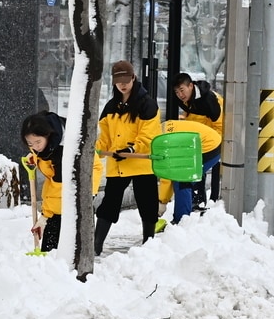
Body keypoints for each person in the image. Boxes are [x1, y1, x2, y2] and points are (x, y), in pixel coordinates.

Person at [94, 60, 162, 255]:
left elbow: (148, 135)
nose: (123, 84)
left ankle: (149, 245)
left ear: (133, 78)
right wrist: (95, 149)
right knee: (109, 205)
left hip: (141, 163)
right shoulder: (110, 106)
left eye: (126, 80)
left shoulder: (147, 104)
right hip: (118, 164)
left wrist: (131, 150)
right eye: (118, 81)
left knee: (147, 204)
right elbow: (105, 138)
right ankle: (96, 246)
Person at [20, 111, 103, 253]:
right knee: (54, 226)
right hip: (62, 185)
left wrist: (44, 218)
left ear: (48, 135)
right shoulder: (46, 130)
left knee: (65, 234)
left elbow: (58, 191)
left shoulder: (63, 152)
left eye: (38, 142)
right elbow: (39, 149)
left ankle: (65, 266)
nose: (35, 147)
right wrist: (35, 156)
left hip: (82, 185)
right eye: (30, 144)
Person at [170, 72, 224, 206]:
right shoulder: (184, 99)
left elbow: (220, 126)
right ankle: (198, 199)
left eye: (182, 90)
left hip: (213, 137)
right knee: (194, 168)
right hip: (198, 135)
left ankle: (212, 199)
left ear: (191, 86)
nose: (180, 95)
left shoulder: (209, 101)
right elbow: (190, 116)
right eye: (177, 92)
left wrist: (213, 144)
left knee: (201, 167)